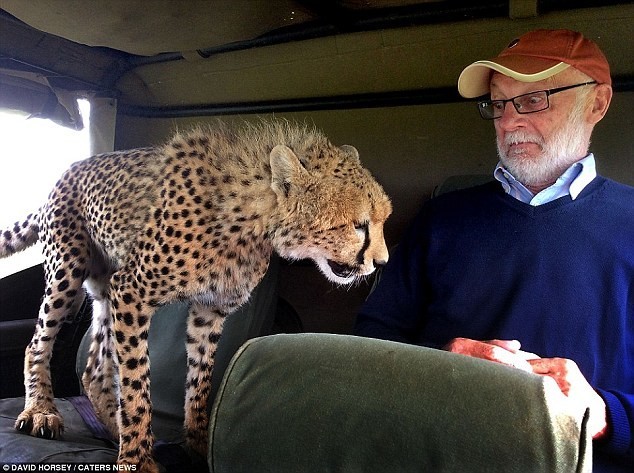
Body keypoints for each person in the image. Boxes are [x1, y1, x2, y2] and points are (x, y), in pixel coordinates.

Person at [354, 29, 632, 471]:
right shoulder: (443, 219)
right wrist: (440, 365)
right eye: (499, 103)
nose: (508, 122)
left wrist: (605, 414)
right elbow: (368, 344)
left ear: (596, 103)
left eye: (534, 99)